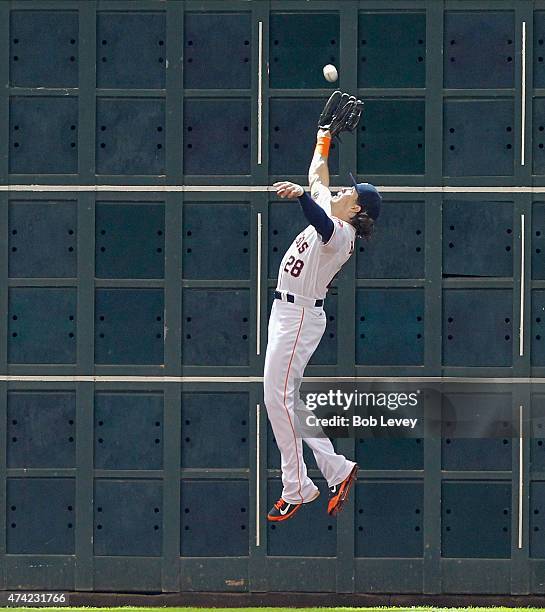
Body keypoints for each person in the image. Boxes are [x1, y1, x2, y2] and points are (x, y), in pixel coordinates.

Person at [264, 118, 382, 522]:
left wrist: (301, 198)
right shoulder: (332, 206)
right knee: (289, 403)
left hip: (299, 315)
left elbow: (320, 220)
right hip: (287, 311)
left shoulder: (343, 233)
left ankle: (297, 487)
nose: (345, 190)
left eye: (352, 192)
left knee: (275, 398)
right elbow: (318, 172)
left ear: (358, 208)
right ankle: (337, 468)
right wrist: (323, 134)